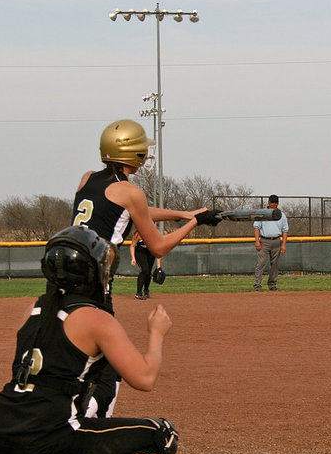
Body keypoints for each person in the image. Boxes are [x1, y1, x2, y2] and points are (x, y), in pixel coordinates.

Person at [0, 226, 178, 454]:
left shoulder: (33, 310)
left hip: (0, 437)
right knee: (163, 436)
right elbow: (144, 378)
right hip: (48, 441)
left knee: (36, 420)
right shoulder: (95, 317)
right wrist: (156, 334)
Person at [71, 119, 221, 418]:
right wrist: (193, 223)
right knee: (107, 369)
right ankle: (84, 426)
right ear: (133, 156)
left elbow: (130, 211)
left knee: (69, 356)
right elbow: (159, 247)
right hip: (96, 291)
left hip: (65, 282)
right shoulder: (129, 191)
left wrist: (182, 213)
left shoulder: (88, 179)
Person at [253, 194, 289, 291]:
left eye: (276, 202)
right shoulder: (262, 213)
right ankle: (257, 285)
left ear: (278, 203)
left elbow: (285, 230)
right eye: (272, 202)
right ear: (268, 203)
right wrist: (257, 242)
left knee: (275, 264)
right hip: (264, 241)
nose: (274, 204)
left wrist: (284, 245)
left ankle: (272, 285)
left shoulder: (282, 215)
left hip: (276, 241)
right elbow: (256, 227)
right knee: (261, 264)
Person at [129, 230, 161, 300]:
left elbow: (158, 250)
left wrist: (159, 266)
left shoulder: (154, 234)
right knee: (145, 270)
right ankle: (138, 293)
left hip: (150, 252)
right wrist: (133, 258)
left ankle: (146, 291)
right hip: (140, 251)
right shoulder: (138, 233)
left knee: (149, 272)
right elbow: (132, 246)